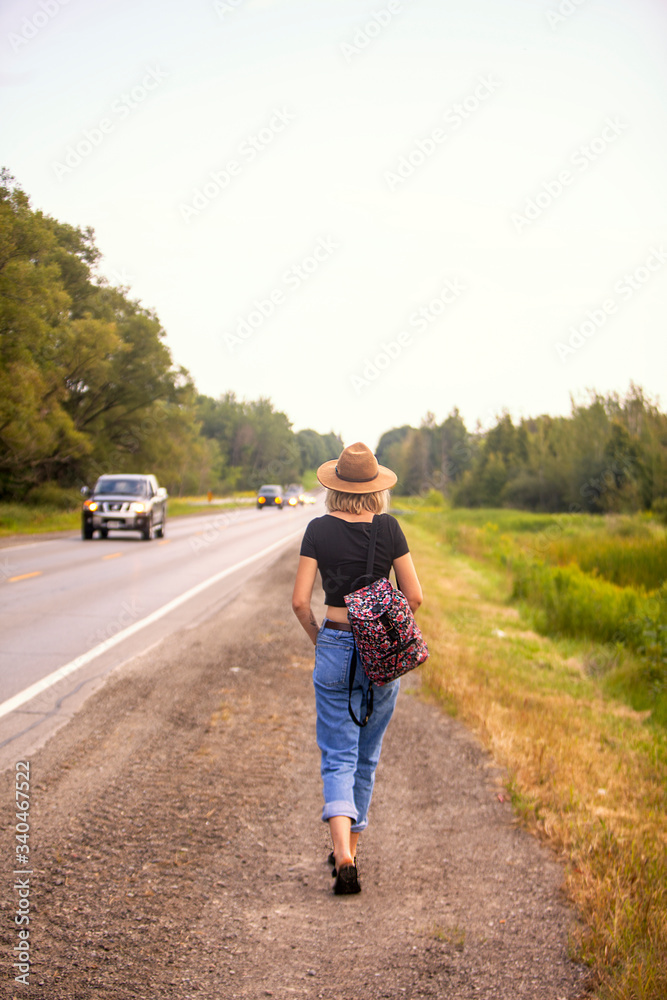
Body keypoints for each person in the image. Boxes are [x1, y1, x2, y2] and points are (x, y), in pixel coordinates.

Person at [291, 442, 423, 894]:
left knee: (337, 754)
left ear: (334, 487)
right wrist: (383, 633)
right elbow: (415, 596)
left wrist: (321, 640)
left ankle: (342, 852)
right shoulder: (389, 529)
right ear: (376, 488)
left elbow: (298, 601)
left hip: (333, 641)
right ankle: (354, 849)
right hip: (380, 652)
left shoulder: (317, 530)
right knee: (366, 755)